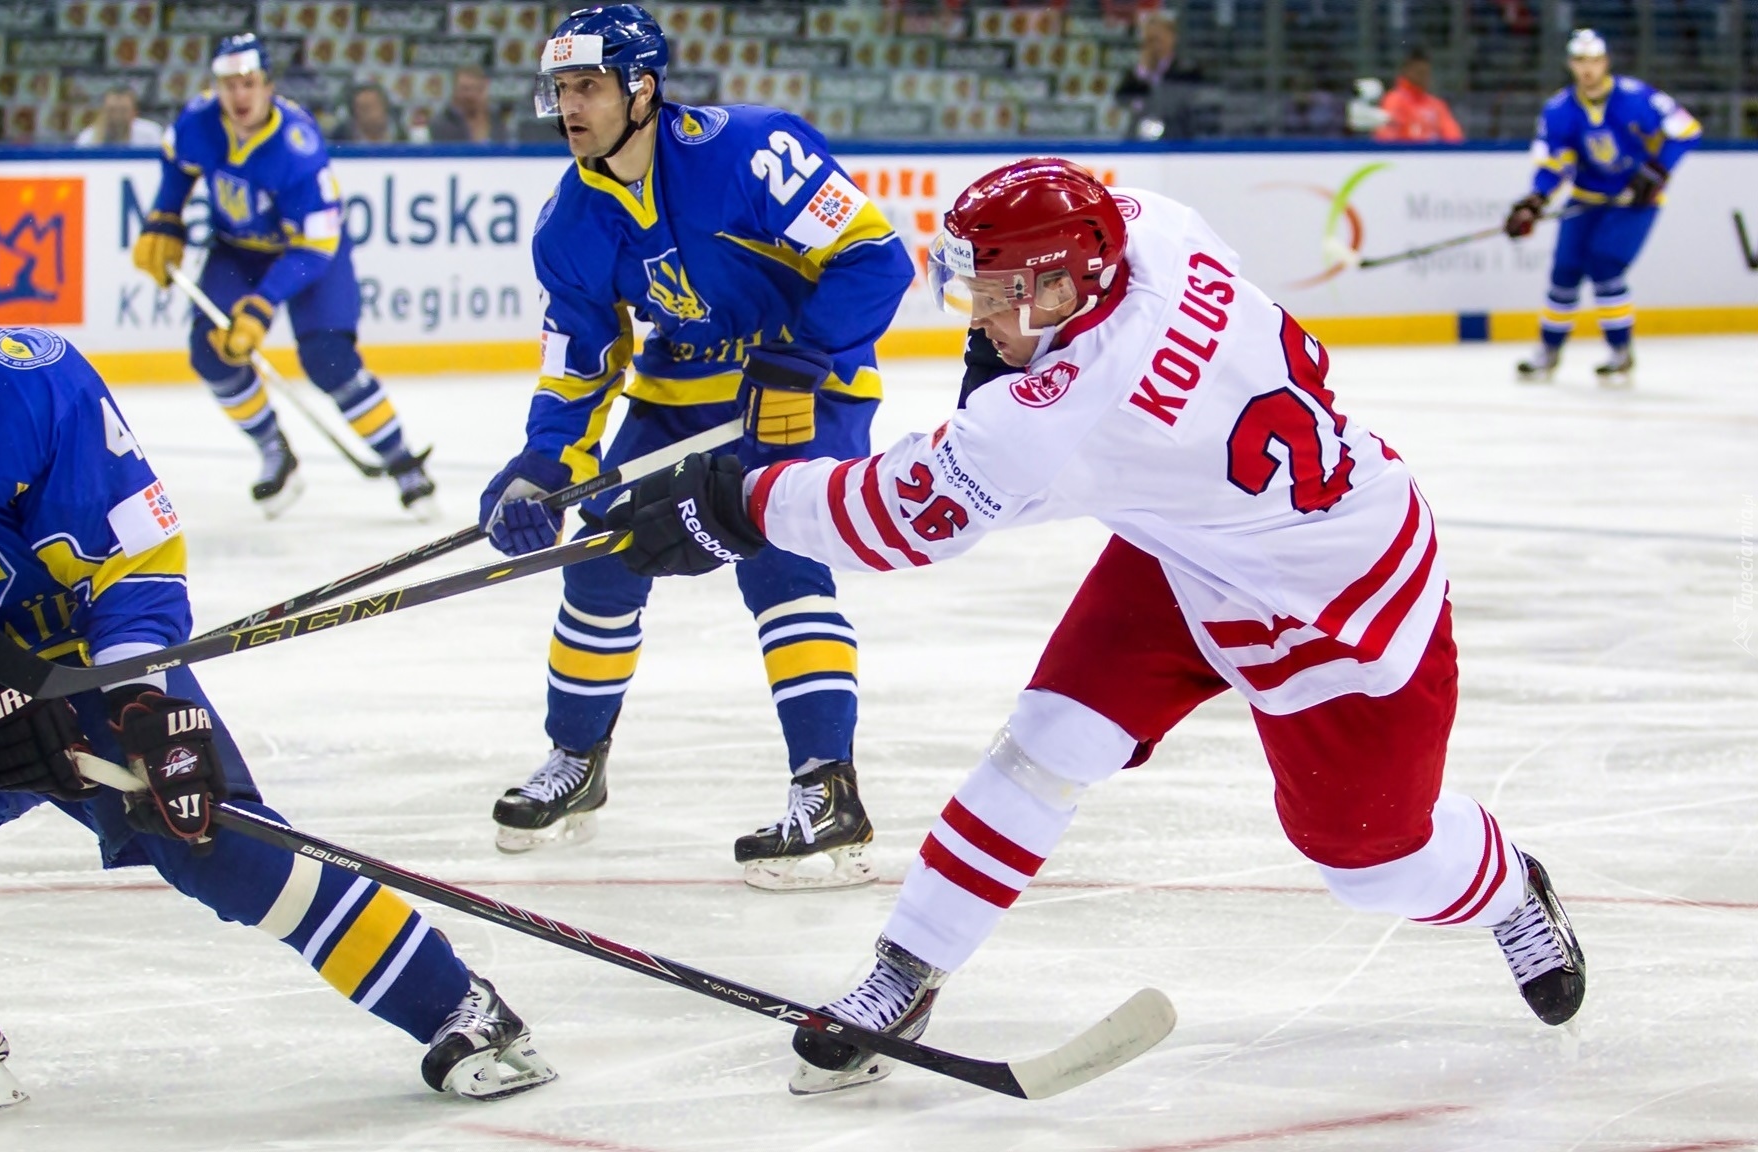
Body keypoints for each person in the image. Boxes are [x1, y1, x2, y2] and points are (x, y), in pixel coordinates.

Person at [608, 159, 1588, 1093]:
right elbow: (1053, 287)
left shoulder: (1062, 415)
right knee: (1043, 748)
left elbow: (898, 521)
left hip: (1337, 605)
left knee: (1370, 865)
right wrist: (990, 354)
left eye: (996, 297)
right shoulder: (1145, 227)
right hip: (1191, 548)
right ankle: (904, 973)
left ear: (1063, 291)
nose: (979, 315)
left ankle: (1504, 884)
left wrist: (735, 504)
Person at [0, 196, 555, 1124]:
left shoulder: (35, 386)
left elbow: (134, 562)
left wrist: (138, 699)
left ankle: (461, 1007)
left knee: (217, 849)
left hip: (85, 670)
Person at [477, 5, 915, 890]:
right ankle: (577, 759)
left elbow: (878, 259)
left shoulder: (749, 152)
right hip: (682, 395)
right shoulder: (571, 223)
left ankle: (827, 790)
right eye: (561, 89)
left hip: (806, 386)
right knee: (599, 555)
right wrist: (544, 464)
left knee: (779, 554)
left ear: (644, 89)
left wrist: (796, 362)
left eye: (589, 87)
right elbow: (580, 360)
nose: (571, 107)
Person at [133, 33, 436, 516]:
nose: (239, 96)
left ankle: (403, 462)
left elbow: (316, 246)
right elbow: (176, 163)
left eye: (249, 83)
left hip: (309, 255)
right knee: (211, 352)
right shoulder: (199, 120)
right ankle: (277, 454)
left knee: (328, 358)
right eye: (228, 84)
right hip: (237, 250)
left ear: (269, 86)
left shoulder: (297, 147)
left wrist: (262, 302)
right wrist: (164, 218)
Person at [1507, 27, 1700, 388]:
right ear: (1571, 64)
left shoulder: (1636, 97)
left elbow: (1687, 130)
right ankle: (1548, 351)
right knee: (1564, 270)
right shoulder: (1559, 109)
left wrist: (1656, 171)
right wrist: (1535, 200)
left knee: (1606, 264)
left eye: (1594, 61)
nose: (1588, 69)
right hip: (1586, 200)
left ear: (1605, 62)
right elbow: (1553, 164)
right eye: (1580, 61)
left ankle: (1620, 351)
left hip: (1635, 201)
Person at [1113, 8, 1204, 141]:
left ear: (1172, 37)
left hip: (1176, 142)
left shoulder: (1187, 71)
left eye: (1158, 38)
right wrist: (1143, 71)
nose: (1155, 45)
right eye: (1150, 40)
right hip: (1137, 144)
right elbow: (1121, 101)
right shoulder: (1134, 74)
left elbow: (1182, 105)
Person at [1372, 48, 1463, 143]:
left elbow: (1454, 137)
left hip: (1434, 156)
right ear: (1407, 70)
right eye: (1419, 73)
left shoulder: (1436, 105)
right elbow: (1386, 138)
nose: (1424, 78)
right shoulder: (1394, 101)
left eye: (1426, 73)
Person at [74, 84, 165, 147]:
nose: (117, 116)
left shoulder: (150, 133)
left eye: (123, 110)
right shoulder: (88, 138)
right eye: (112, 110)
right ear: (103, 112)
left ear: (134, 112)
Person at [429, 67, 497, 143]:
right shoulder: (441, 124)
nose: (470, 95)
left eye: (476, 88)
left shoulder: (496, 120)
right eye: (465, 89)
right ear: (454, 91)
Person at [331, 82, 398, 144]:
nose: (368, 114)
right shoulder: (340, 137)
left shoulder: (401, 134)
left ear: (384, 107)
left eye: (372, 107)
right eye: (363, 108)